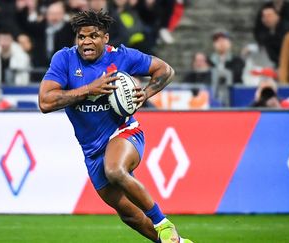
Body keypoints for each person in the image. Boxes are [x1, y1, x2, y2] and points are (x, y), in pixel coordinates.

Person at [39, 10, 192, 243]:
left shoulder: (121, 57)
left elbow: (165, 70)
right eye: (81, 37)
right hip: (91, 151)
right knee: (130, 215)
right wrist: (90, 89)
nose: (86, 41)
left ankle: (162, 222)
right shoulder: (65, 59)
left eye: (94, 36)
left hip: (123, 133)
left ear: (106, 38)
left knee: (115, 170)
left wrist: (146, 94)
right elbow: (45, 102)